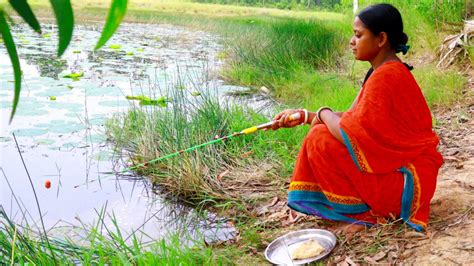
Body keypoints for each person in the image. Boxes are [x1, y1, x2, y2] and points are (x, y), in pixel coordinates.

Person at [271, 3, 443, 232]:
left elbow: (346, 131)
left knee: (319, 139)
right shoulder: (381, 71)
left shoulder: (387, 76)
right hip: (409, 179)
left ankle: (368, 215)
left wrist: (322, 113)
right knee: (320, 133)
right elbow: (352, 118)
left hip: (406, 185)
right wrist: (304, 116)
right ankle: (363, 208)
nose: (352, 42)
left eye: (358, 35)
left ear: (381, 39)